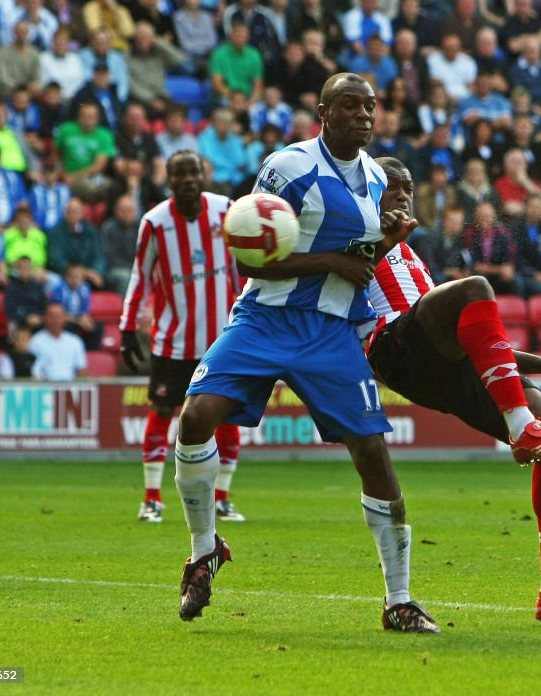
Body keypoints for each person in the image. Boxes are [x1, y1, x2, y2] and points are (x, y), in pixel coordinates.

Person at [173, 74, 437, 633]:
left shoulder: (374, 177)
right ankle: (204, 549)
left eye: (370, 106)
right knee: (195, 417)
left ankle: (400, 599)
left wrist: (388, 241)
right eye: (350, 105)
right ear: (322, 112)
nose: (364, 114)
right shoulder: (287, 166)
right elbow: (249, 259)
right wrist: (330, 263)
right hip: (265, 318)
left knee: (373, 454)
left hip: (331, 329)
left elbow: (360, 259)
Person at [355, 156, 541, 625]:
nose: (401, 195)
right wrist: (380, 242)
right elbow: (341, 287)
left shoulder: (410, 252)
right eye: (390, 188)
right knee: (474, 285)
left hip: (446, 362)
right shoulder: (351, 235)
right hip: (396, 351)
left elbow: (471, 332)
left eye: (407, 188)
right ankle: (522, 427)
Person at [119, 151, 244, 525]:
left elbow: (243, 267)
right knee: (161, 413)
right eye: (180, 174)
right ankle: (152, 499)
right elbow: (140, 277)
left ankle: (222, 498)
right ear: (169, 180)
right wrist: (127, 327)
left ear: (203, 176)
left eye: (194, 172)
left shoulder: (227, 211)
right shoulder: (155, 222)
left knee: (228, 415)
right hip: (173, 342)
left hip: (222, 340)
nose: (188, 179)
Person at [29, 303, 88, 380]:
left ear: (65, 318)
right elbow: (33, 370)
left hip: (70, 386)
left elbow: (81, 370)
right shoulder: (35, 341)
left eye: (58, 316)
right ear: (45, 318)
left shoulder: (75, 341)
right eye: (51, 316)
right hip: (45, 387)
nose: (55, 320)